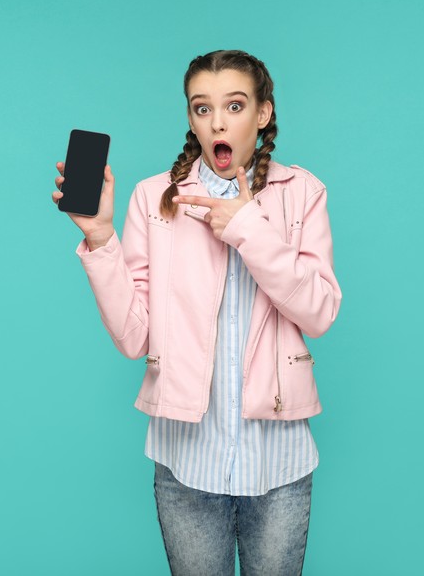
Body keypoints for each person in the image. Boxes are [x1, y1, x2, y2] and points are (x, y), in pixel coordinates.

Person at [52, 49, 342, 576]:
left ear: (263, 113)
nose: (217, 121)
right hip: (185, 461)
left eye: (234, 105)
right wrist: (100, 238)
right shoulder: (152, 199)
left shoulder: (302, 194)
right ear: (191, 119)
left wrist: (248, 229)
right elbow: (134, 337)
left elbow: (320, 312)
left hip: (279, 463)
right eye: (202, 108)